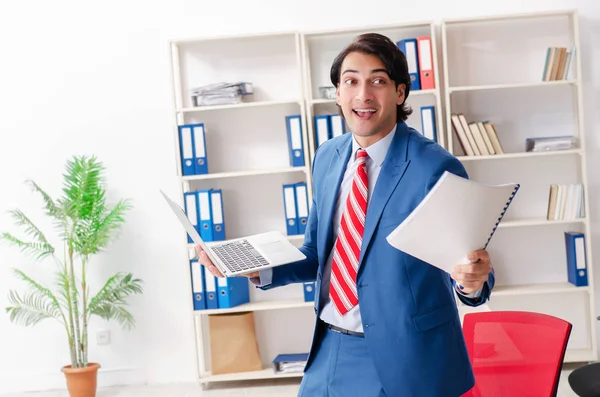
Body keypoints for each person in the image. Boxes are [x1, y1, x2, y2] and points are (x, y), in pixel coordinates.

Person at [196, 32, 494, 397]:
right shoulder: (327, 157)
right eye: (351, 81)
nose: (363, 94)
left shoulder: (435, 167)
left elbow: (468, 269)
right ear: (337, 93)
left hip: (407, 357)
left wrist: (472, 281)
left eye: (378, 81)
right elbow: (319, 255)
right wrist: (260, 268)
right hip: (329, 347)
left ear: (400, 93)